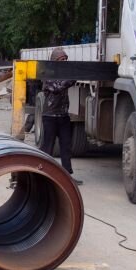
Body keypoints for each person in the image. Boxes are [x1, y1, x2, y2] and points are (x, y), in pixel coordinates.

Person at [38, 48, 81, 184]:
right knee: (48, 147)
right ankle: (43, 174)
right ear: (55, 60)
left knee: (66, 147)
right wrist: (71, 78)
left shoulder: (65, 73)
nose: (64, 62)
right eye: (61, 59)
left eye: (65, 59)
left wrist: (72, 76)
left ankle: (67, 176)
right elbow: (57, 87)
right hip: (50, 116)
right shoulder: (47, 74)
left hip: (63, 116)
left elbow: (67, 82)